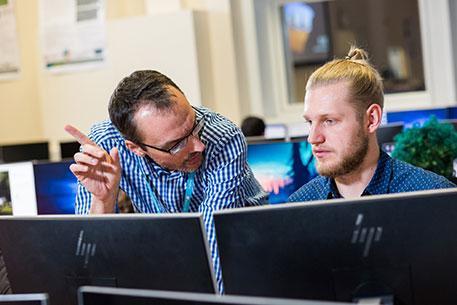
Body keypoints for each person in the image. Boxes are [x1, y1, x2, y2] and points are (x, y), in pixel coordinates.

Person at [65, 70, 268, 293]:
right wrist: (103, 199)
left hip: (245, 247)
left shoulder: (222, 138)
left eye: (194, 125)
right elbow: (89, 256)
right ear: (135, 148)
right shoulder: (104, 145)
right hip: (169, 254)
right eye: (177, 144)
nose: (198, 146)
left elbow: (213, 249)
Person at [289, 47, 455, 202]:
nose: (313, 138)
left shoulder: (433, 196)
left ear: (372, 119)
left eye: (329, 121)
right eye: (310, 122)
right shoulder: (297, 206)